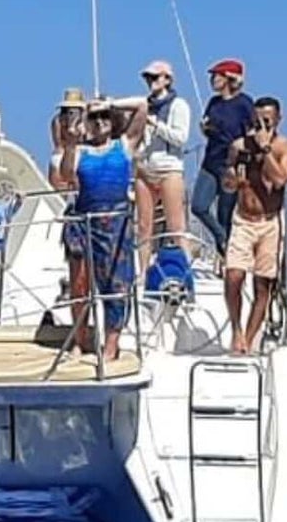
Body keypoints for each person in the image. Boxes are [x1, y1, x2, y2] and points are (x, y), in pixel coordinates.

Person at [54, 99, 144, 359]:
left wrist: (110, 102)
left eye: (105, 115)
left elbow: (142, 107)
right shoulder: (79, 151)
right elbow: (66, 175)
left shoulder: (124, 145)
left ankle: (112, 343)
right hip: (84, 222)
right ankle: (80, 340)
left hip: (116, 223)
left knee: (117, 284)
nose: (100, 121)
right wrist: (71, 143)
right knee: (80, 285)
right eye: (94, 117)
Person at [223, 97, 287, 354]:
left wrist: (265, 149)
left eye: (267, 121)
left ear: (278, 119)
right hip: (244, 219)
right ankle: (236, 329)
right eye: (258, 121)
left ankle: (248, 338)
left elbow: (280, 180)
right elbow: (227, 182)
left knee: (263, 283)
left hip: (270, 222)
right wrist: (233, 180)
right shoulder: (239, 146)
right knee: (234, 275)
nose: (262, 125)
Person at [193, 59, 256, 258]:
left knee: (225, 214)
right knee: (198, 206)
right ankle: (221, 237)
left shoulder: (244, 103)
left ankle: (227, 259)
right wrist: (205, 129)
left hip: (232, 166)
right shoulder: (214, 103)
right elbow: (210, 128)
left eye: (216, 76)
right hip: (210, 162)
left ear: (229, 78)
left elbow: (252, 133)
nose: (212, 80)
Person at [134, 60, 192, 270]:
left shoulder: (179, 105)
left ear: (167, 79)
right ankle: (142, 272)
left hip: (169, 169)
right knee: (143, 226)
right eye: (147, 77)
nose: (150, 81)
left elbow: (180, 138)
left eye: (154, 77)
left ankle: (186, 270)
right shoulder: (144, 105)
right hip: (145, 169)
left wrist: (156, 125)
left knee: (176, 226)